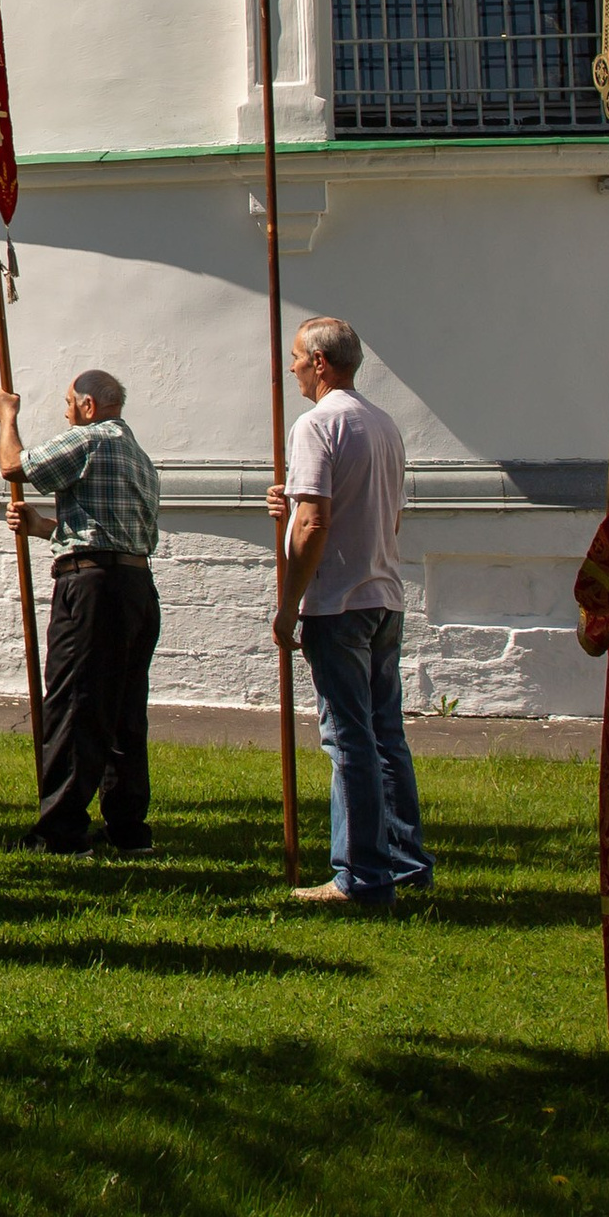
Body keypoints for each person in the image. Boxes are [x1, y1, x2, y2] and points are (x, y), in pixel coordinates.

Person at [269, 315, 429, 906]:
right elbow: (383, 513)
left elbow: (315, 522)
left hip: (338, 602)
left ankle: (361, 876)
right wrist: (290, 507)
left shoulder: (317, 423)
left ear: (319, 362)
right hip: (383, 594)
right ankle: (405, 863)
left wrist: (290, 604)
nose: (290, 367)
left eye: (296, 356)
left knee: (349, 739)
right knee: (385, 735)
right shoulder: (383, 424)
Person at [0, 368, 164, 857]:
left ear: (89, 405)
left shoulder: (90, 439)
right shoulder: (137, 455)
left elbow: (14, 465)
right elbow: (109, 530)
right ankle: (127, 827)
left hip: (92, 590)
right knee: (123, 709)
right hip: (135, 586)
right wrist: (43, 527)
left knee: (75, 703)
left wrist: (7, 417)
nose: (67, 414)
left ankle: (62, 830)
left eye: (70, 404)